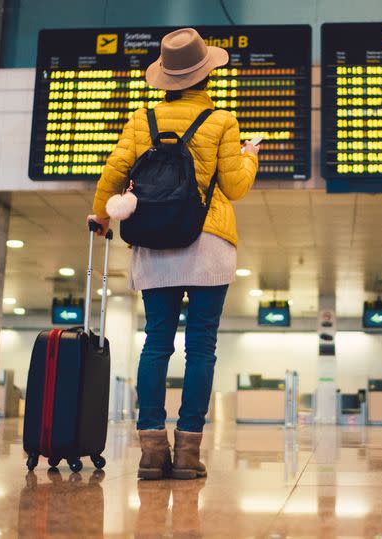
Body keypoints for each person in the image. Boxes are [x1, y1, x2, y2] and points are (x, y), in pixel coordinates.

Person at [87, 27, 259, 480]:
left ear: (165, 78)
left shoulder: (142, 120)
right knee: (201, 346)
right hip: (208, 242)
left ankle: (150, 451)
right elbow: (235, 186)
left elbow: (114, 169)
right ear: (207, 75)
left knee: (157, 342)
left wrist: (101, 217)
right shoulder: (222, 120)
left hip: (156, 240)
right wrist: (250, 156)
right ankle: (187, 453)